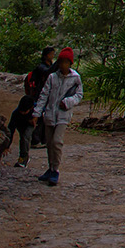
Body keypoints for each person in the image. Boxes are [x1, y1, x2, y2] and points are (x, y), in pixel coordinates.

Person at [30, 47, 83, 186]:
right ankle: (51, 168)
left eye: (66, 62)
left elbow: (79, 95)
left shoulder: (75, 78)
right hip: (49, 114)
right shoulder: (52, 77)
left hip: (63, 115)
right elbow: (44, 95)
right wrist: (37, 113)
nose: (63, 65)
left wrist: (68, 102)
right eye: (61, 62)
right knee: (49, 143)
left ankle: (56, 170)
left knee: (56, 142)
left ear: (70, 63)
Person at [0, 46, 56, 167]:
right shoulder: (16, 115)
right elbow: (10, 131)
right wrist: (6, 146)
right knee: (24, 138)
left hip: (31, 121)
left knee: (25, 137)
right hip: (25, 121)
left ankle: (25, 155)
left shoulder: (35, 109)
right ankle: (24, 156)